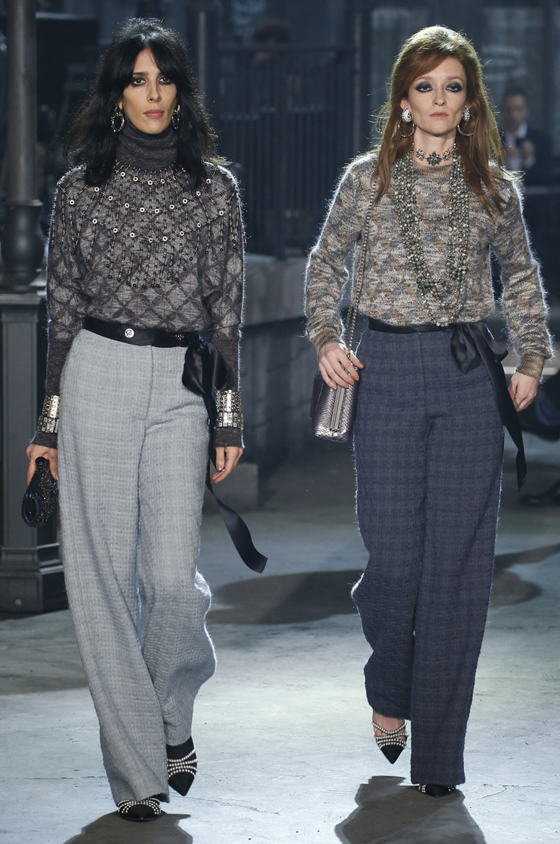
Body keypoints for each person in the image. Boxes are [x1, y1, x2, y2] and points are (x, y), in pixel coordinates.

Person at [305, 26, 551, 797]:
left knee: (458, 573)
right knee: (394, 563)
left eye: (452, 86)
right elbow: (324, 264)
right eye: (424, 86)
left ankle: (439, 761)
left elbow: (521, 277)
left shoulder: (494, 188)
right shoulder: (366, 180)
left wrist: (531, 359)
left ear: (469, 101)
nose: (439, 99)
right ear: (403, 100)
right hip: (383, 371)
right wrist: (325, 338)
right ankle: (389, 684)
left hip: (467, 375)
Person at [26, 18, 246, 822]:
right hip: (94, 374)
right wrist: (47, 426)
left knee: (169, 581)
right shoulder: (78, 190)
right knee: (102, 584)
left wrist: (228, 418)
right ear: (116, 95)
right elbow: (60, 313)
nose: (152, 94)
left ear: (181, 92)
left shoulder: (214, 189)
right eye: (137, 80)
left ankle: (169, 712)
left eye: (164, 79)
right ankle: (137, 775)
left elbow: (227, 311)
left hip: (182, 384)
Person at [500, 85, 551, 187]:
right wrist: (501, 161)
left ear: (526, 111)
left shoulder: (542, 141)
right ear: (502, 111)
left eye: (518, 109)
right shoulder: (492, 140)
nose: (513, 115)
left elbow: (547, 181)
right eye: (509, 110)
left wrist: (530, 159)